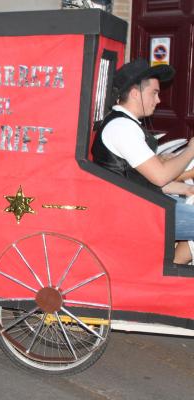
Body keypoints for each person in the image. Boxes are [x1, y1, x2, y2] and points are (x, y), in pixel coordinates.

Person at [92, 58, 194, 264]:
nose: (158, 100)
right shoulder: (122, 128)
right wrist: (191, 150)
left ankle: (172, 268)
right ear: (135, 93)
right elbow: (159, 176)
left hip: (139, 205)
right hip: (133, 214)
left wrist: (185, 190)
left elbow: (137, 179)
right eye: (154, 93)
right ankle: (169, 272)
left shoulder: (124, 124)